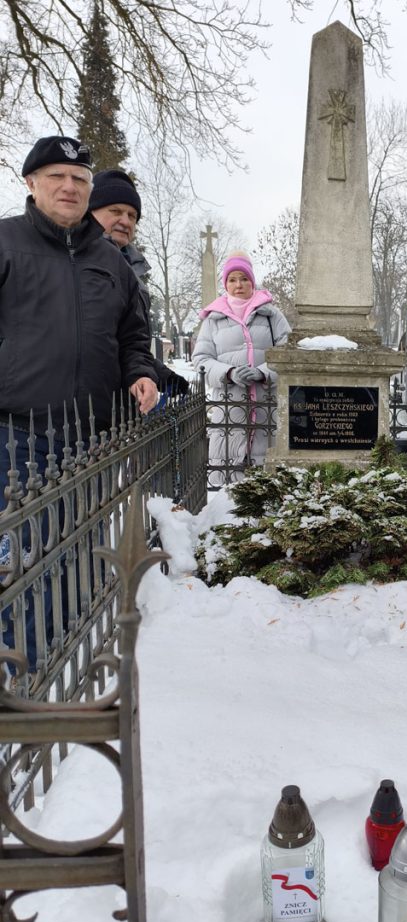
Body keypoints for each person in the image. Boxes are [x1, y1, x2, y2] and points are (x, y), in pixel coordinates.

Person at [0, 135, 158, 670]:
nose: (69, 187)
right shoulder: (5, 242)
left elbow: (133, 336)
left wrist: (141, 374)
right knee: (23, 556)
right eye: (56, 177)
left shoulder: (110, 261)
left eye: (79, 179)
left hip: (90, 434)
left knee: (74, 550)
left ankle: (56, 659)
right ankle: (21, 670)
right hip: (16, 431)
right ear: (31, 183)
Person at [88, 168, 189, 398]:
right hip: (89, 402)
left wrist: (159, 375)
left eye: (132, 216)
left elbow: (129, 341)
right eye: (115, 211)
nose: (125, 221)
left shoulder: (133, 271)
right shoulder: (79, 262)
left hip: (124, 402)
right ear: (90, 212)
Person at [193, 252, 289, 481]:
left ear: (252, 281)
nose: (239, 285)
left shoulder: (272, 315)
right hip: (230, 408)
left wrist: (262, 373)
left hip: (268, 408)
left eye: (244, 279)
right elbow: (202, 359)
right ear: (225, 284)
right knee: (228, 485)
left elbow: (288, 355)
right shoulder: (212, 320)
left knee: (268, 481)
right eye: (233, 279)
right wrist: (229, 373)